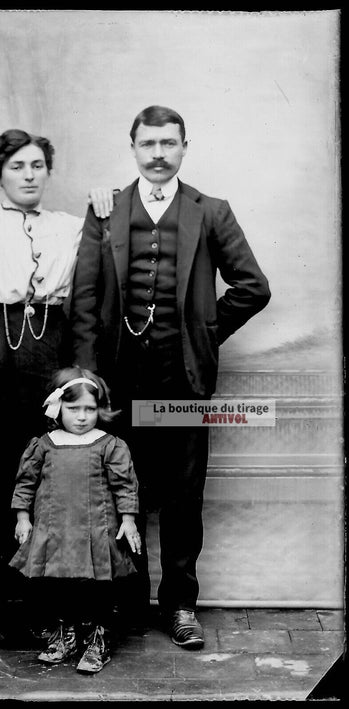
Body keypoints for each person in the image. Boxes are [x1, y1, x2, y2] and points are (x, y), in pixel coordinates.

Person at [70, 105, 271, 650]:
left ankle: (181, 605)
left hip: (183, 384)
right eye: (148, 144)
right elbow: (85, 301)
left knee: (183, 497)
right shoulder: (106, 211)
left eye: (169, 144)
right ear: (132, 148)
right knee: (120, 492)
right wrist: (89, 377)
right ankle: (129, 605)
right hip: (119, 384)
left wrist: (202, 334)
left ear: (184, 148)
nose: (158, 154)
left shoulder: (211, 211)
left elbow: (253, 286)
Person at [0, 129, 112, 641]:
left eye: (37, 165)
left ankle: (41, 596)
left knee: (47, 470)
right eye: (17, 166)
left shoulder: (71, 227)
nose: (29, 175)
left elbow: (104, 256)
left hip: (52, 351)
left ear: (48, 172)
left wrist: (107, 196)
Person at [9, 367, 141, 673]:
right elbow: (26, 483)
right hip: (54, 530)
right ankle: (64, 635)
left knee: (95, 588)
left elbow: (124, 485)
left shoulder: (109, 445)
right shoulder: (44, 444)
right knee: (55, 587)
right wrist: (22, 518)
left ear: (100, 410)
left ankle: (98, 639)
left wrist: (128, 519)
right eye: (73, 409)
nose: (81, 417)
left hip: (95, 528)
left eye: (89, 409)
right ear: (57, 408)